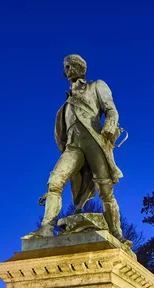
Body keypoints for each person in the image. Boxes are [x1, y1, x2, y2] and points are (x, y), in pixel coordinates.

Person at [36, 54, 126, 241]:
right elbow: (60, 135)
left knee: (105, 190)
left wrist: (110, 124)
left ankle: (116, 233)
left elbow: (111, 109)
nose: (67, 71)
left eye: (71, 66)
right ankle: (45, 229)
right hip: (73, 147)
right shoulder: (64, 107)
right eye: (66, 68)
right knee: (54, 182)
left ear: (81, 68)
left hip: (94, 142)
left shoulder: (96, 86)